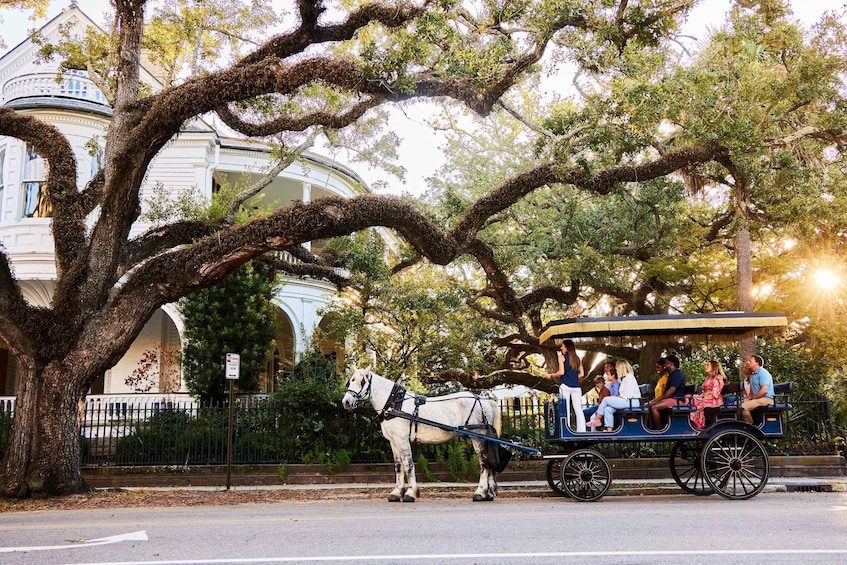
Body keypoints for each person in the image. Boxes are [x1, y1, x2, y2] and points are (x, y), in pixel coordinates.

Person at [587, 359, 641, 432]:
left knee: (606, 399)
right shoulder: (625, 378)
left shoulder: (629, 377)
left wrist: (614, 398)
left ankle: (597, 420)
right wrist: (615, 398)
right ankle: (609, 430)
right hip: (627, 400)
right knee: (608, 409)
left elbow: (627, 395)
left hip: (631, 402)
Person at [546, 339, 587, 432]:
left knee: (565, 409)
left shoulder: (561, 357)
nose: (561, 348)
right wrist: (574, 377)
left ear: (566, 347)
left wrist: (551, 375)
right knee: (578, 410)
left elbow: (562, 372)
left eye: (562, 346)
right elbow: (582, 374)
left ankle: (566, 430)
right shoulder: (577, 358)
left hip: (565, 385)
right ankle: (582, 430)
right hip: (576, 386)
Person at [646, 355, 686, 429]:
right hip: (671, 399)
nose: (664, 366)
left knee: (654, 407)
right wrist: (653, 401)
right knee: (649, 405)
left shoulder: (677, 375)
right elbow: (665, 394)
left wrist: (655, 401)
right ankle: (649, 427)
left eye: (666, 363)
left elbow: (670, 392)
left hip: (677, 400)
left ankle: (659, 430)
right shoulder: (671, 375)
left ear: (672, 364)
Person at [690, 360, 726, 429]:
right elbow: (704, 391)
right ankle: (695, 424)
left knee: (697, 403)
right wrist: (699, 397)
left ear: (713, 367)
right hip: (706, 397)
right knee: (692, 400)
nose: (706, 366)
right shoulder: (708, 378)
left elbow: (715, 395)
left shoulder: (718, 378)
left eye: (708, 365)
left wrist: (702, 398)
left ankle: (701, 425)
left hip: (714, 401)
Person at [741, 354, 774, 424]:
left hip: (766, 399)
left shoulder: (763, 373)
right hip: (757, 399)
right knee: (736, 405)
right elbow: (751, 393)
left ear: (757, 363)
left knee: (743, 407)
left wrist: (753, 398)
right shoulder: (752, 375)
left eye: (750, 361)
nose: (748, 362)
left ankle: (751, 428)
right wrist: (746, 399)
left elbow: (764, 390)